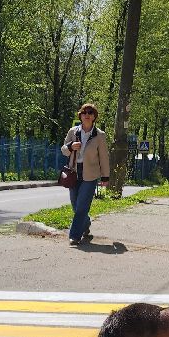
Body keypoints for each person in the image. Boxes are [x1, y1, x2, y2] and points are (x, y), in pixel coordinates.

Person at [60, 103, 112, 246]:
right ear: (80, 116)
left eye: (90, 112)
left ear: (94, 116)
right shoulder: (73, 132)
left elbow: (104, 157)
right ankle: (86, 223)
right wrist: (70, 146)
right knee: (75, 206)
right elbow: (63, 150)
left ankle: (75, 236)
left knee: (82, 206)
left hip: (90, 175)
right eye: (84, 112)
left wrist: (105, 177)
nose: (87, 115)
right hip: (74, 173)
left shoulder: (99, 135)